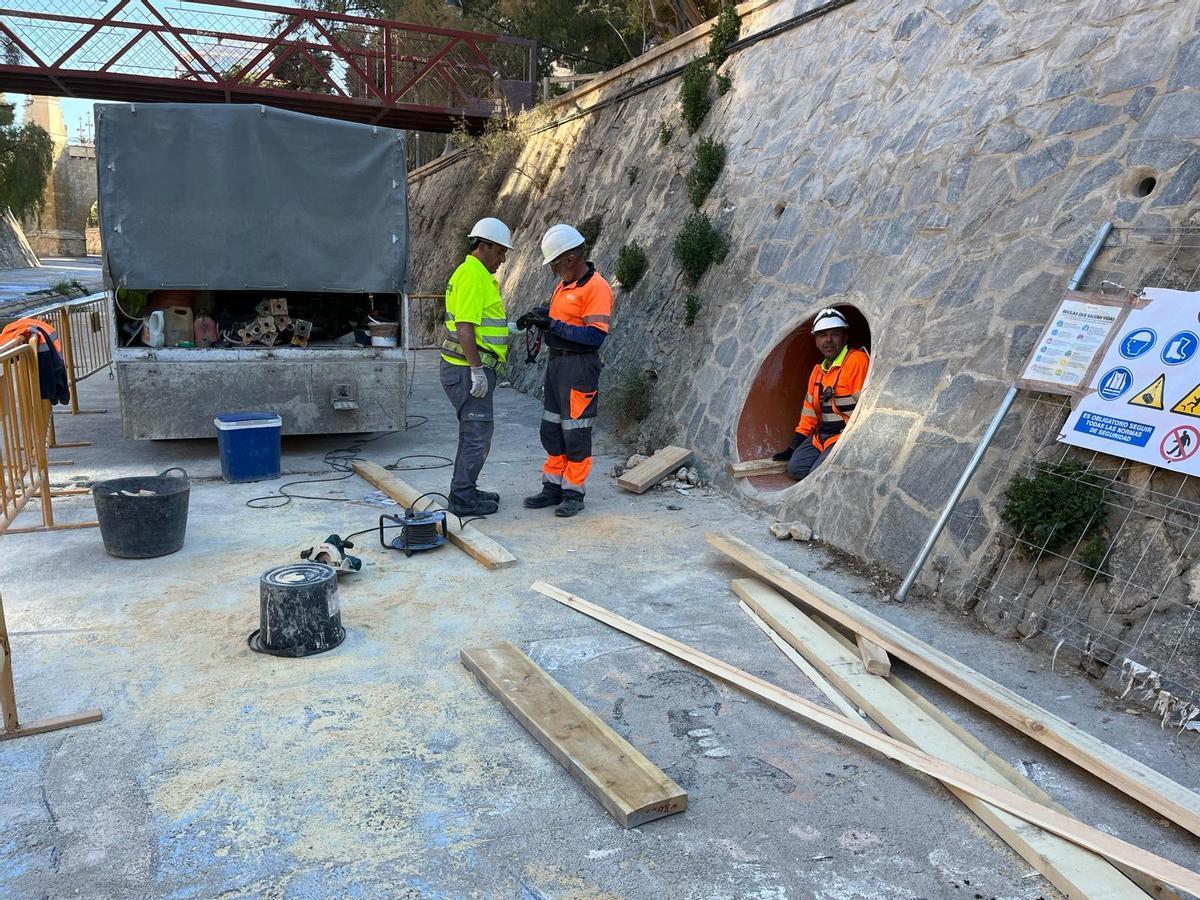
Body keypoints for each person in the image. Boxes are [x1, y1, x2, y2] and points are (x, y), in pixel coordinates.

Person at [517, 224, 614, 518]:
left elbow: (595, 336)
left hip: (579, 366)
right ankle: (553, 487)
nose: (554, 271)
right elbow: (560, 315)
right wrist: (540, 315)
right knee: (552, 427)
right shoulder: (565, 285)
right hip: (558, 363)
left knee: (576, 431)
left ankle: (573, 492)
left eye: (555, 265)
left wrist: (554, 326)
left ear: (570, 259)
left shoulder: (597, 288)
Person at [439, 217, 514, 517]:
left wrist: (511, 328)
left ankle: (465, 490)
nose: (503, 258)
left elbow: (482, 323)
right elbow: (465, 325)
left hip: (464, 368)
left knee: (474, 433)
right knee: (477, 435)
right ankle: (462, 497)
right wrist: (476, 370)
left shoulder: (474, 273)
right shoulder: (472, 275)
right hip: (466, 370)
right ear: (484, 246)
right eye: (500, 251)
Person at [773, 308, 869, 481]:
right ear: (816, 341)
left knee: (817, 476)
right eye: (823, 335)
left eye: (835, 334)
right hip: (822, 437)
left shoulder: (856, 361)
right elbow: (808, 413)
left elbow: (866, 406)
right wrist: (794, 445)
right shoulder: (818, 371)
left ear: (845, 337)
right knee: (795, 469)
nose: (829, 340)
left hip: (844, 436)